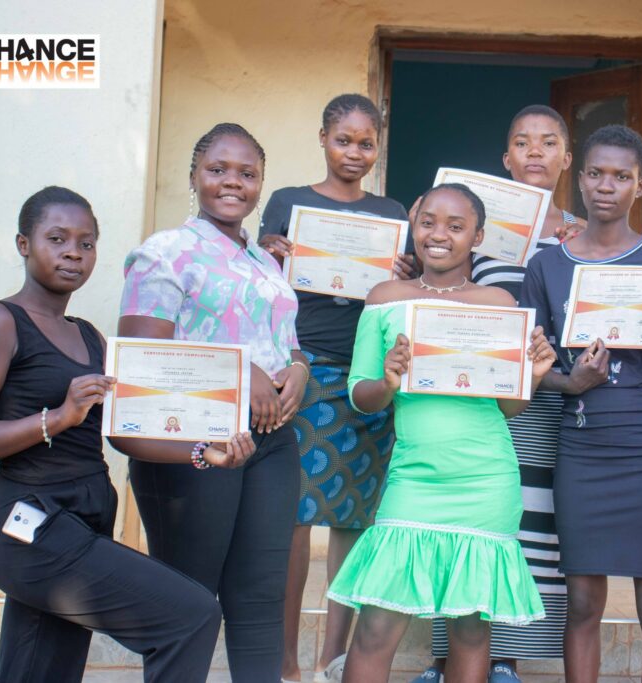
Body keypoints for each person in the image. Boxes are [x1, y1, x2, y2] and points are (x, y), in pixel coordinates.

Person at [0, 186, 240, 682]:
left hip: (84, 517)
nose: (72, 254)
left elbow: (124, 431)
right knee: (189, 615)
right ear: (23, 244)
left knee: (41, 670)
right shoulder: (1, 323)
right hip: (28, 524)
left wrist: (204, 450)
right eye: (56, 239)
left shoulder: (88, 336)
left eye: (86, 243)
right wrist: (55, 418)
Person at [326, 183, 555, 683]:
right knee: (375, 629)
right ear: (414, 223)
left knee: (471, 633)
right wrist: (387, 380)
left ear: (478, 236)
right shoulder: (385, 299)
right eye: (429, 221)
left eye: (456, 226)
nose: (439, 235)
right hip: (414, 481)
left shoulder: (498, 302)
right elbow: (358, 394)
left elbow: (507, 407)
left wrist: (533, 376)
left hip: (486, 480)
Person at [113, 123, 307, 682]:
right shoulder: (163, 253)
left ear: (260, 185)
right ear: (194, 176)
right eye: (218, 169)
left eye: (247, 174)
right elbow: (143, 363)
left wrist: (299, 369)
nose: (232, 183)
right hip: (194, 440)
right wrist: (238, 372)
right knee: (187, 602)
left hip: (272, 442)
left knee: (259, 598)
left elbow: (287, 344)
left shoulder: (267, 264)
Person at [521, 124, 642, 683]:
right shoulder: (546, 268)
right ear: (580, 179)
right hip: (582, 449)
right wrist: (572, 382)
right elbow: (530, 368)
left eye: (621, 177)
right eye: (597, 174)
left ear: (640, 185)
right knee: (581, 605)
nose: (607, 186)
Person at [417, 104, 584, 683]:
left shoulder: (585, 239)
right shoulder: (470, 231)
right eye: (521, 142)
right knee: (470, 520)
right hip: (476, 400)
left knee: (528, 524)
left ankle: (505, 658)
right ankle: (449, 659)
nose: (534, 151)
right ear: (505, 158)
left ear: (567, 156)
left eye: (548, 142)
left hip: (549, 398)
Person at [258, 93, 416, 683]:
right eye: (343, 139)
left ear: (377, 147)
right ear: (323, 138)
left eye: (366, 143)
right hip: (303, 367)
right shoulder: (287, 203)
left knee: (354, 519)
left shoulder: (393, 210)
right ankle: (286, 662)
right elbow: (262, 283)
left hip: (368, 374)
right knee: (293, 517)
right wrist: (269, 254)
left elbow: (407, 296)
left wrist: (406, 274)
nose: (354, 152)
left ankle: (334, 661)